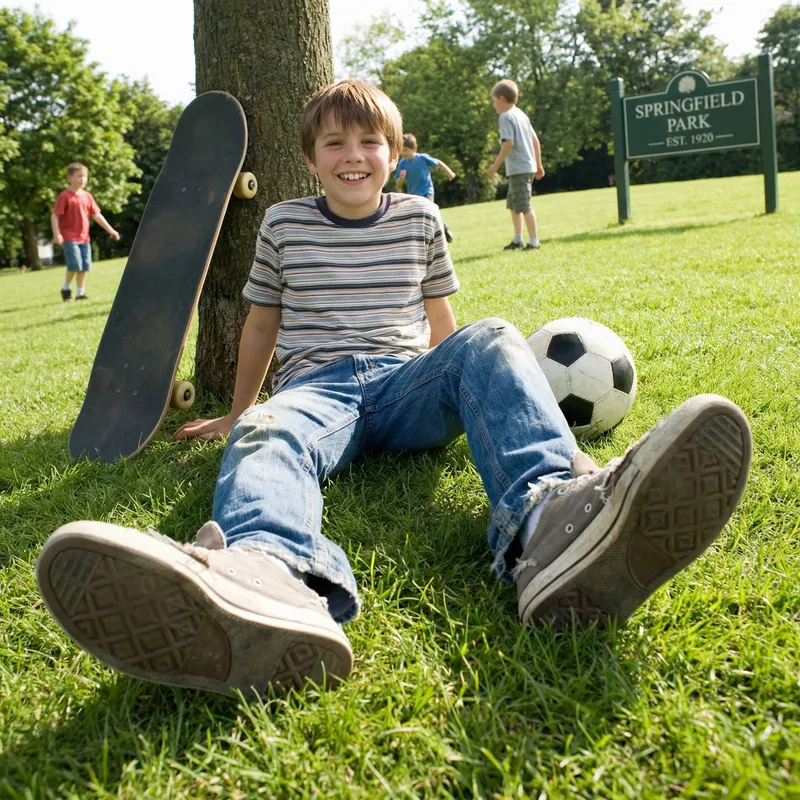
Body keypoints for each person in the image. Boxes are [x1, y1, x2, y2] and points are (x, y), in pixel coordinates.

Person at [36, 80, 753, 699]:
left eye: (369, 142)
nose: (353, 156)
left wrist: (466, 388)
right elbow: (261, 323)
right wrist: (239, 409)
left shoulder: (420, 217)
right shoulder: (284, 224)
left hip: (406, 382)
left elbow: (444, 325)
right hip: (317, 392)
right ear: (311, 158)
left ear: (393, 151)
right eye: (335, 144)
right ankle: (269, 576)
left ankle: (553, 520)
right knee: (266, 431)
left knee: (491, 334)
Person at [485, 79, 544, 251]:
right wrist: (538, 165)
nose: (494, 105)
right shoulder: (522, 115)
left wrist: (495, 166)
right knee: (514, 205)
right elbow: (535, 141)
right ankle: (518, 239)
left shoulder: (505, 117)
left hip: (519, 168)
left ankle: (534, 241)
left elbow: (508, 143)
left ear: (502, 99)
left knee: (525, 206)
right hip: (526, 167)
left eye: (494, 101)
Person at [51, 162, 120, 301]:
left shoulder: (87, 196)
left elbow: (97, 215)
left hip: (84, 237)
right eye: (79, 176)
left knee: (84, 266)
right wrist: (57, 233)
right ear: (69, 177)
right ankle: (66, 288)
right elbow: (55, 215)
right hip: (69, 237)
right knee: (74, 264)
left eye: (84, 176)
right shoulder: (65, 196)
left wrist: (111, 230)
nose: (82, 179)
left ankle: (80, 293)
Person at [395, 133, 456, 242]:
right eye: (401, 151)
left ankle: (443, 230)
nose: (403, 153)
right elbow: (398, 183)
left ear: (413, 149)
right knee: (419, 217)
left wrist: (450, 173)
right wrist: (401, 178)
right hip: (413, 194)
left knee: (430, 212)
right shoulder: (402, 163)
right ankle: (427, 236)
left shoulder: (422, 158)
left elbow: (438, 163)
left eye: (405, 150)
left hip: (427, 190)